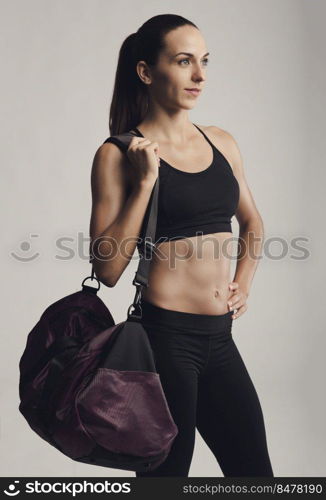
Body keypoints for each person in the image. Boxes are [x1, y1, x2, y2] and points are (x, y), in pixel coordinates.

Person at [89, 14, 274, 477]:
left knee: (256, 477)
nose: (200, 75)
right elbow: (107, 270)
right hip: (164, 342)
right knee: (166, 483)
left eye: (204, 61)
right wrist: (145, 182)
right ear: (147, 71)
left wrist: (243, 283)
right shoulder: (119, 153)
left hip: (220, 341)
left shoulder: (222, 143)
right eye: (183, 61)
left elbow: (252, 223)